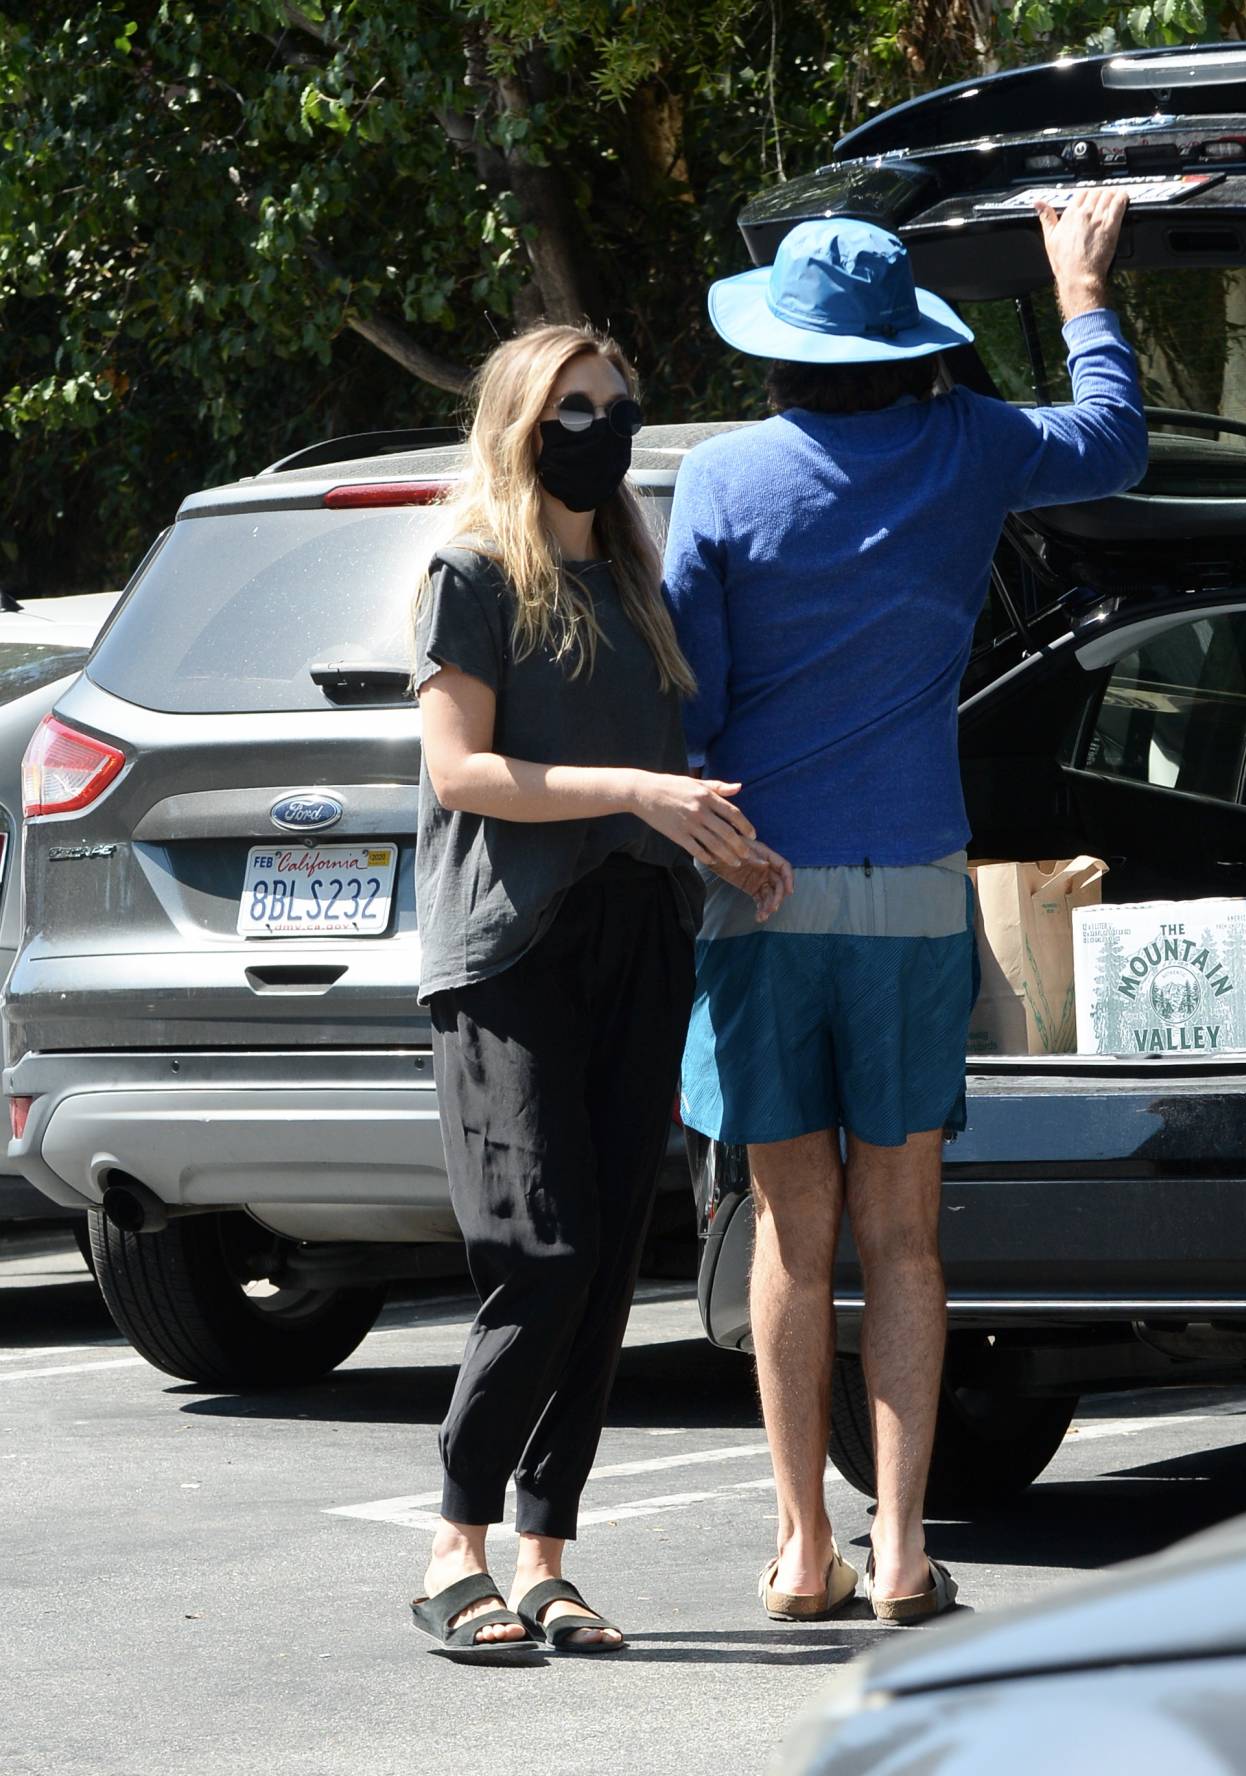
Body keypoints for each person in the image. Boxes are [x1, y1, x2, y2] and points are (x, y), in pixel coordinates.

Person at [664, 189, 1146, 1624]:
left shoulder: (725, 478)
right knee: (910, 1240)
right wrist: (1078, 288)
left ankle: (802, 1547)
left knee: (791, 1238)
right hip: (916, 896)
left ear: (779, 351)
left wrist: (712, 818)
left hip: (762, 889)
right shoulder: (969, 444)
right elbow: (1113, 444)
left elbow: (690, 693)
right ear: (911, 348)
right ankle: (903, 1555)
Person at [408, 322, 791, 1659]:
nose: (601, 424)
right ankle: (453, 1545)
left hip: (641, 929)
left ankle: (546, 1557)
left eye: (618, 402)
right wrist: (635, 791)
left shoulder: (635, 582)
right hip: (512, 948)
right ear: (522, 420)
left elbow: (658, 778)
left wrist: (728, 850)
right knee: (543, 1246)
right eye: (575, 403)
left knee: (614, 1253)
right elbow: (462, 771)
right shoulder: (471, 573)